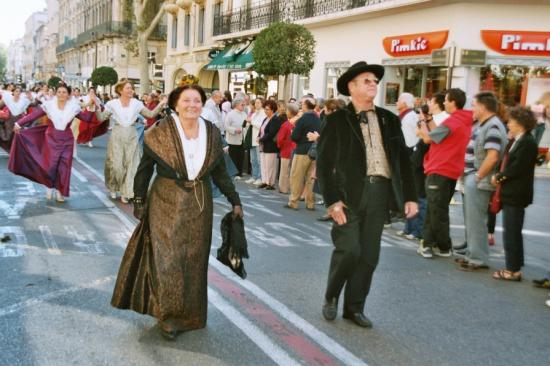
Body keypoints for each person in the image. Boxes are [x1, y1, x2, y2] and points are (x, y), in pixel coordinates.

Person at [110, 84, 243, 340]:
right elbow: (144, 170)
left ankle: (191, 315)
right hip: (165, 201)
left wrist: (235, 200)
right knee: (168, 260)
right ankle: (169, 317)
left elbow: (220, 173)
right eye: (186, 100)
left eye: (197, 100)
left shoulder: (212, 133)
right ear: (175, 104)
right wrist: (139, 200)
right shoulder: (158, 133)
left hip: (199, 203)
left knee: (194, 260)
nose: (192, 105)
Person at [317, 61, 417, 328]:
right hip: (348, 196)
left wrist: (410, 196)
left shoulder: (390, 120)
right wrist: (331, 201)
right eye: (367, 81)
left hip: (380, 194)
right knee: (349, 250)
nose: (373, 84)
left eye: (375, 81)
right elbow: (324, 164)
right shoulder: (337, 120)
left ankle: (354, 308)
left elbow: (403, 162)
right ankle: (331, 296)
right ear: (351, 87)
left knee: (369, 255)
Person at [8, 82, 93, 201]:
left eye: (64, 92)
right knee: (50, 166)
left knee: (64, 167)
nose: (61, 94)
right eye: (59, 92)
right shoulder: (49, 106)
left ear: (68, 94)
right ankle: (49, 186)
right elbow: (34, 116)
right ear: (56, 93)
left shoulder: (74, 108)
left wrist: (94, 107)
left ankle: (60, 191)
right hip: (51, 139)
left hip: (67, 140)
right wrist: (18, 123)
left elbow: (87, 118)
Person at [415, 88, 472, 258]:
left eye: (446, 100)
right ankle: (434, 244)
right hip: (450, 170)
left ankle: (438, 245)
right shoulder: (461, 121)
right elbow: (438, 135)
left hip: (440, 168)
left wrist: (421, 127)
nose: (444, 102)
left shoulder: (452, 122)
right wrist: (429, 120)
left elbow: (428, 138)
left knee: (435, 210)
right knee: (437, 208)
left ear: (453, 102)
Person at [456, 92, 507, 271]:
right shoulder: (485, 124)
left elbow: (492, 157)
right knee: (473, 219)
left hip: (479, 178)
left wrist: (477, 177)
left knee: (476, 220)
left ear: (483, 107)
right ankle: (473, 255)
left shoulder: (492, 126)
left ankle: (477, 258)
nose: (472, 110)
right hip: (474, 176)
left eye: (474, 106)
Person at [94, 79, 167, 203]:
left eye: (131, 88)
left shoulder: (136, 103)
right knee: (116, 166)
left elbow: (150, 115)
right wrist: (96, 107)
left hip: (132, 135)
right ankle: (113, 186)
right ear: (120, 90)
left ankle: (125, 192)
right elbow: (101, 118)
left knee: (131, 165)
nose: (131, 90)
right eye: (128, 88)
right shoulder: (112, 104)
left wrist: (161, 104)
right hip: (117, 135)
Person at [491, 107, 538, 281]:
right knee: (511, 231)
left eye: (511, 121)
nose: (508, 123)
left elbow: (517, 167)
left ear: (520, 124)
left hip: (517, 193)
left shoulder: (527, 142)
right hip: (511, 192)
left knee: (512, 231)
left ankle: (513, 269)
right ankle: (515, 265)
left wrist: (499, 177)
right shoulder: (519, 139)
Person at [286, 97, 321, 210]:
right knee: (311, 179)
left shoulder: (303, 119)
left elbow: (295, 136)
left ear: (305, 106)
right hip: (314, 151)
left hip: (302, 151)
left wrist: (293, 134)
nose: (301, 105)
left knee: (296, 177)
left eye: (302, 104)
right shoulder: (317, 118)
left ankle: (293, 202)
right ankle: (310, 203)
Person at [258, 99, 282, 190]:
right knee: (263, 164)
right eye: (265, 109)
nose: (265, 111)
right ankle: (264, 181)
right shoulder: (265, 119)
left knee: (270, 165)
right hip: (263, 144)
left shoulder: (276, 119)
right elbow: (262, 129)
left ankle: (270, 183)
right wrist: (258, 136)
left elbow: (271, 133)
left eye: (267, 109)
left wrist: (261, 139)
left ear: (272, 110)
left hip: (271, 145)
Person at [0, 87, 31, 151]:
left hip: (19, 122)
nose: (18, 93)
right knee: (8, 138)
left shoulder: (24, 100)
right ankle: (11, 151)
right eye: (16, 91)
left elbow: (34, 104)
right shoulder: (8, 99)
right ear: (13, 92)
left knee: (18, 138)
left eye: (19, 91)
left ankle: (16, 153)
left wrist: (31, 98)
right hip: (9, 122)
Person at [277, 102, 298, 194]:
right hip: (294, 148)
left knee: (284, 171)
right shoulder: (296, 123)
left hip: (285, 149)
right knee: (291, 171)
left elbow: (280, 139)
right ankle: (289, 187)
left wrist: (280, 146)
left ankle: (283, 188)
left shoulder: (285, 125)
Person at [245, 98, 266, 186]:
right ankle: (254, 176)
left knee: (259, 160)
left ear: (262, 104)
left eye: (258, 102)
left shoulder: (263, 113)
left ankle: (260, 177)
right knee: (253, 160)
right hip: (251, 139)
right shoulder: (254, 113)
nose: (256, 104)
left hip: (258, 139)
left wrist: (251, 121)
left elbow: (261, 126)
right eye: (255, 103)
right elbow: (249, 125)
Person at [224, 98, 247, 177]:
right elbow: (226, 126)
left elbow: (246, 125)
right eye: (242, 105)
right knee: (233, 158)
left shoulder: (244, 114)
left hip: (242, 139)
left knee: (241, 157)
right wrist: (234, 130)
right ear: (236, 105)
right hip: (232, 140)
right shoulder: (230, 114)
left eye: (244, 105)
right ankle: (233, 173)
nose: (243, 106)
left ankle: (239, 173)